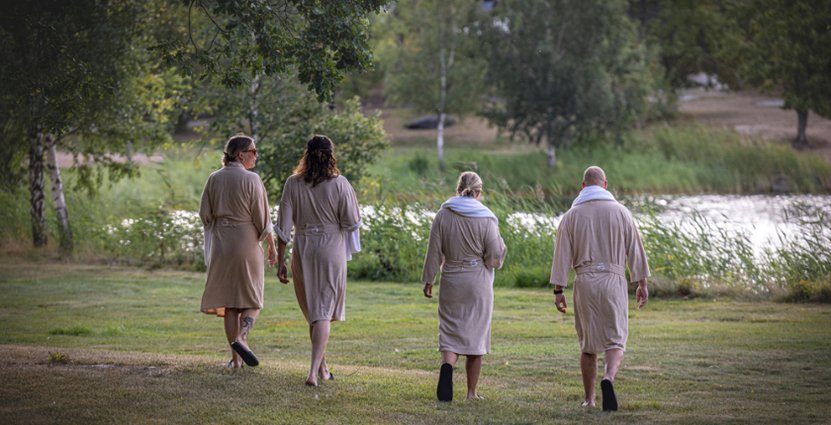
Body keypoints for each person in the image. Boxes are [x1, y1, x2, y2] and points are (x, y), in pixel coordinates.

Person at [549, 165, 650, 411]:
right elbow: (635, 249)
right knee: (615, 340)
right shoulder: (621, 212)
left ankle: (590, 398)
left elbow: (561, 255)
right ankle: (609, 378)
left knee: (588, 344)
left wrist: (558, 290)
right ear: (605, 184)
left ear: (583, 186)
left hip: (585, 282)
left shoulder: (571, 216)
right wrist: (641, 283)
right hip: (614, 280)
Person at [274, 135, 361, 387]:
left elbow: (282, 229)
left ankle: (323, 369)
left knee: (315, 312)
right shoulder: (340, 184)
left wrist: (280, 262)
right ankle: (313, 372)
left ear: (307, 154)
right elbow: (352, 222)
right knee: (321, 312)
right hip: (330, 247)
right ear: (331, 155)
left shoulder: (292, 183)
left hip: (302, 248)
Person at [422, 171, 507, 402]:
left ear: (457, 189)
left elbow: (434, 250)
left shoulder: (444, 213)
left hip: (451, 278)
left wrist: (429, 279)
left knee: (450, 330)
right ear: (479, 192)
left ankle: (447, 366)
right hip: (477, 281)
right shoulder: (487, 217)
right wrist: (491, 262)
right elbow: (495, 256)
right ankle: (471, 393)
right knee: (476, 336)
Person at [199, 134, 277, 368]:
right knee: (253, 296)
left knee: (230, 302)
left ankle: (235, 359)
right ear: (239, 154)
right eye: (253, 151)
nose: (256, 155)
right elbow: (263, 220)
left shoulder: (213, 179)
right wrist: (272, 247)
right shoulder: (252, 180)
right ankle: (242, 337)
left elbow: (205, 214)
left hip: (222, 245)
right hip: (246, 242)